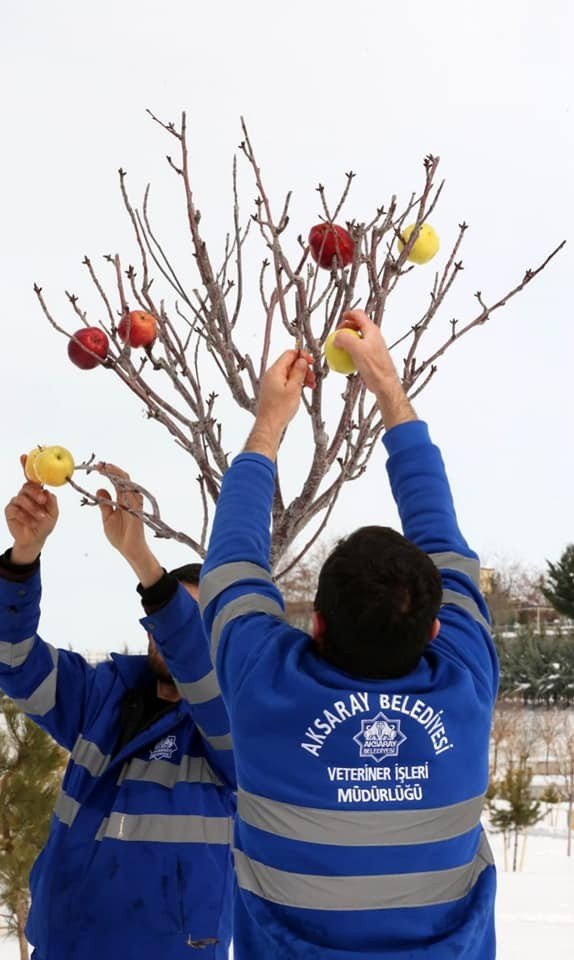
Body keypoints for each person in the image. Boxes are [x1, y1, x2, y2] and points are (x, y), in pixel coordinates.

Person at [199, 311, 498, 958]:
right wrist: (388, 388)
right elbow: (233, 568)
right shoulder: (466, 684)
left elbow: (230, 565)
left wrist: (270, 422)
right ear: (435, 629)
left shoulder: (265, 686)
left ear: (316, 624)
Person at [0, 460, 236, 960]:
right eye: (169, 620)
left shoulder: (233, 730)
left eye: (192, 622)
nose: (172, 637)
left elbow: (197, 664)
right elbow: (6, 655)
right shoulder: (102, 694)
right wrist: (24, 555)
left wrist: (140, 558)